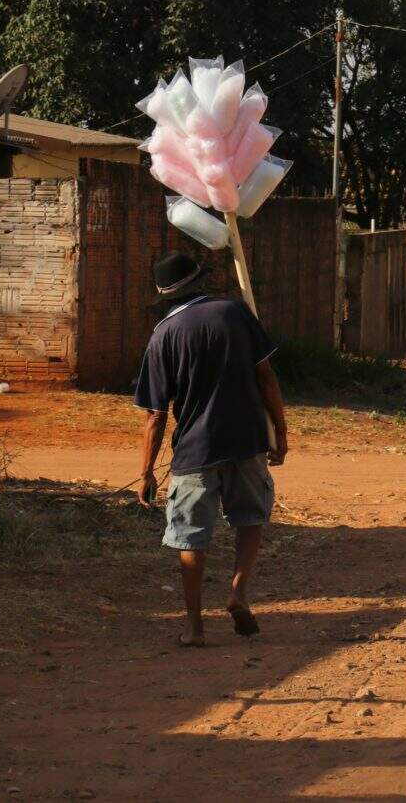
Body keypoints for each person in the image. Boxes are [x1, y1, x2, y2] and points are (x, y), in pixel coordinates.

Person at [135, 251, 289, 647]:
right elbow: (266, 377)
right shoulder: (235, 313)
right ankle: (238, 592)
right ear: (199, 282)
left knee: (190, 537)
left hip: (194, 452)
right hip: (247, 439)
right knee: (250, 519)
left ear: (166, 295)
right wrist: (281, 433)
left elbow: (155, 414)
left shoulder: (162, 335)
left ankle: (194, 627)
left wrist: (148, 471)